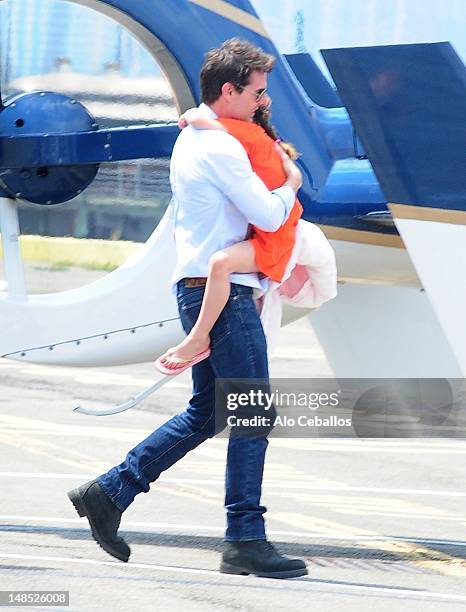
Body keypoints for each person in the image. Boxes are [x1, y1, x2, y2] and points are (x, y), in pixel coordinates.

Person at [67, 38, 307, 579]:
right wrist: (291, 184)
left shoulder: (203, 134)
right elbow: (269, 215)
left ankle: (109, 492)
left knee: (211, 411)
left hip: (204, 287)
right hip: (221, 292)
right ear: (229, 91)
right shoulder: (218, 147)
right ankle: (245, 537)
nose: (263, 103)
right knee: (251, 411)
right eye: (257, 93)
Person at [156, 102, 303, 373]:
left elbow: (216, 126)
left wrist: (194, 116)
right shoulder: (267, 142)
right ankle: (197, 338)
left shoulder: (250, 137)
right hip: (278, 234)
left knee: (221, 263)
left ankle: (198, 338)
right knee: (215, 412)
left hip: (273, 239)